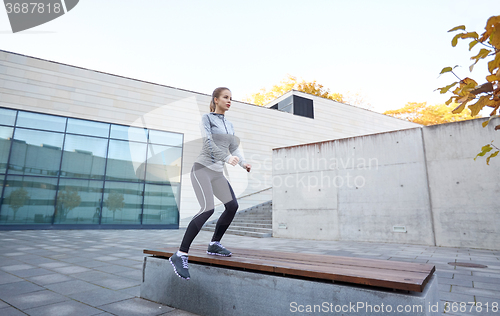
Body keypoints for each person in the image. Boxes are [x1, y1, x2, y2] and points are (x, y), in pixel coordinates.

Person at [169, 87, 251, 280]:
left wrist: (243, 163)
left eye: (231, 98)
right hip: (202, 169)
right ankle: (180, 254)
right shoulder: (207, 119)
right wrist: (226, 157)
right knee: (207, 209)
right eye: (226, 97)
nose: (229, 101)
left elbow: (234, 148)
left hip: (217, 173)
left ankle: (214, 244)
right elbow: (208, 144)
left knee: (232, 206)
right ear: (216, 99)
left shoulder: (230, 125)